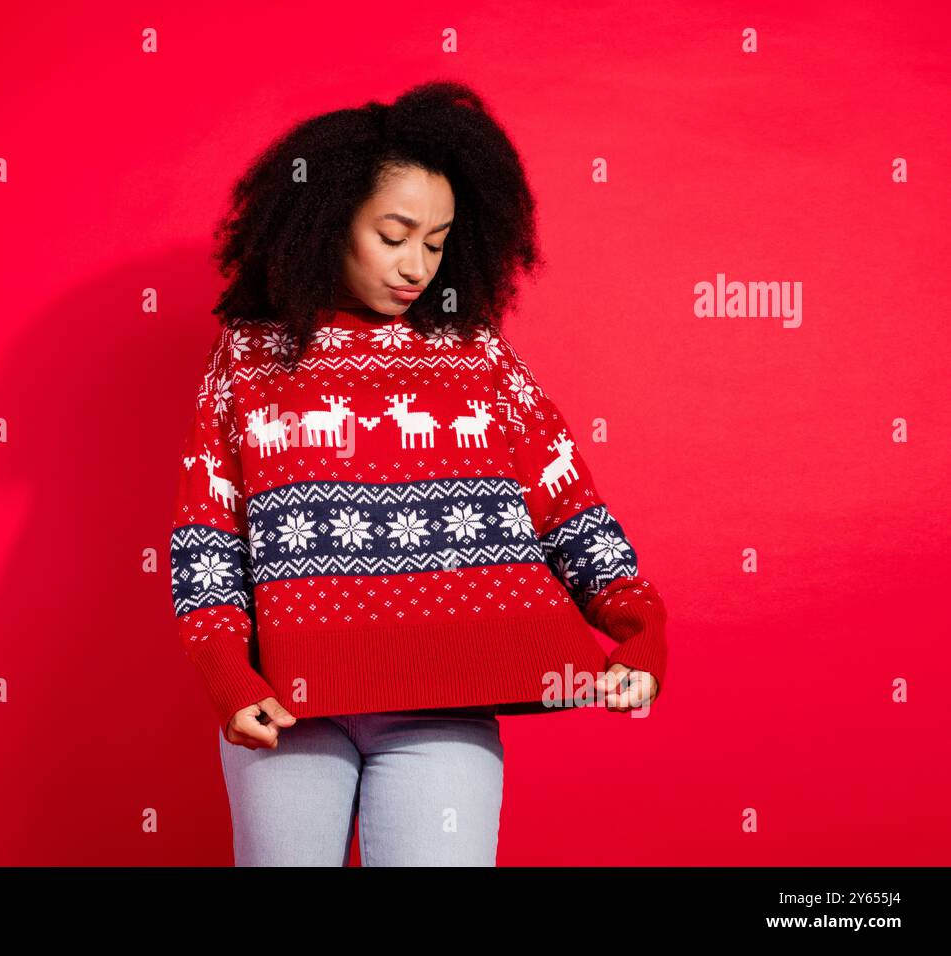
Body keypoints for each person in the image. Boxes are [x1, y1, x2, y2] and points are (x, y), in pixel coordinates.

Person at [169, 80, 668, 866]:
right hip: (289, 709)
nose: (417, 266)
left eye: (436, 243)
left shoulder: (478, 354)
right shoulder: (250, 357)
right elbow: (209, 533)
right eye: (394, 234)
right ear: (329, 221)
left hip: (448, 706)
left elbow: (565, 501)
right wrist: (227, 671)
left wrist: (639, 628)